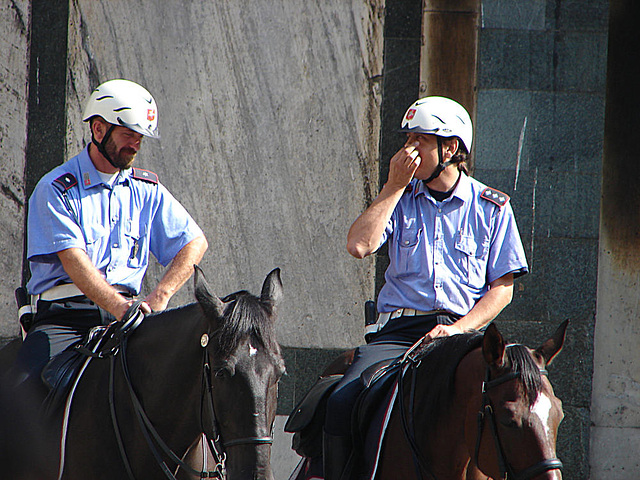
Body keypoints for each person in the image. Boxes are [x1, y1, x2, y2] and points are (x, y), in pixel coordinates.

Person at [322, 96, 529, 479]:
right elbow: (359, 245)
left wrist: (459, 328)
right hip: (398, 334)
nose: (408, 150)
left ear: (450, 148)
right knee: (342, 399)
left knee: (521, 403)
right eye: (407, 139)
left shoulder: (492, 208)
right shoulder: (398, 199)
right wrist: (391, 186)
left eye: (420, 140)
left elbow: (503, 288)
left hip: (462, 336)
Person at [10, 79, 208, 389]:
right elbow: (74, 261)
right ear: (99, 130)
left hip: (133, 320)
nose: (136, 144)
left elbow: (195, 242)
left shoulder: (148, 191)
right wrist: (120, 308)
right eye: (128, 134)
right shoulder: (56, 189)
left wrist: (159, 297)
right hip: (67, 318)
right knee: (18, 397)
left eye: (140, 137)